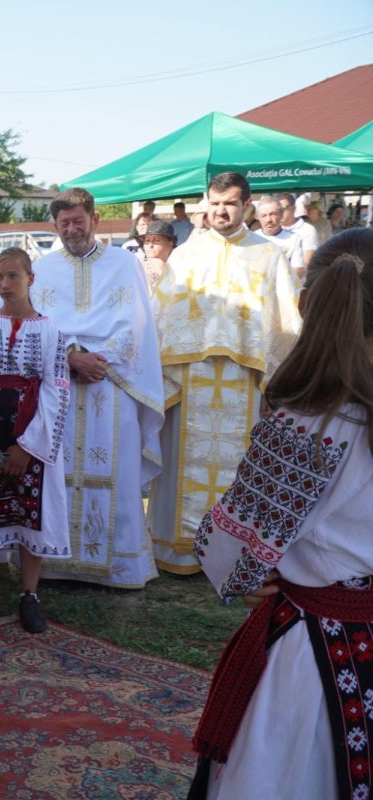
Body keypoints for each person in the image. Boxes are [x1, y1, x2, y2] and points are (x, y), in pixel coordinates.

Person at [187, 229, 373, 800]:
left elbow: (231, 552)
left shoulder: (307, 425)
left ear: (306, 303)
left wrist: (250, 573)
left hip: (316, 663)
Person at [148, 172, 301, 575]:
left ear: (246, 206)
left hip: (244, 383)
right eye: (215, 203)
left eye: (230, 203)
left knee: (239, 469)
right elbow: (160, 317)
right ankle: (177, 551)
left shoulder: (269, 257)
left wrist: (277, 384)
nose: (221, 210)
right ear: (206, 204)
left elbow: (285, 324)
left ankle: (231, 555)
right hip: (189, 380)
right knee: (181, 466)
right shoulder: (185, 255)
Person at [31, 188, 164, 588]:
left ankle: (119, 565)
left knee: (116, 473)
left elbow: (137, 324)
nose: (72, 229)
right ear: (55, 226)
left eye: (78, 220)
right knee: (57, 472)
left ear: (95, 220)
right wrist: (71, 356)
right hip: (60, 384)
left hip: (112, 381)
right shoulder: (42, 267)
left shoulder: (126, 264)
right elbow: (37, 322)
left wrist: (97, 359)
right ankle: (56, 561)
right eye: (64, 223)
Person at [0, 248, 70, 634]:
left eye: (13, 277)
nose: (5, 285)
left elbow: (56, 389)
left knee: (29, 516)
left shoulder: (51, 330)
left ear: (30, 279)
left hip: (29, 433)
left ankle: (28, 595)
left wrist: (30, 445)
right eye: (0, 277)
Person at [252, 195, 305, 282]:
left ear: (281, 215)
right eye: (264, 216)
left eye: (272, 214)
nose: (269, 219)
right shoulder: (252, 239)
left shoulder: (294, 239)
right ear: (259, 218)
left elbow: (298, 271)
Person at [280, 192, 319, 267]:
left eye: (284, 208)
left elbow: (307, 262)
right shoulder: (273, 229)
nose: (280, 212)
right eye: (278, 210)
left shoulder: (307, 230)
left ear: (293, 208)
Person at [140, 219, 177, 290]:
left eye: (156, 241)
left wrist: (162, 271)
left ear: (170, 243)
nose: (150, 245)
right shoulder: (138, 268)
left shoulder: (179, 266)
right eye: (147, 241)